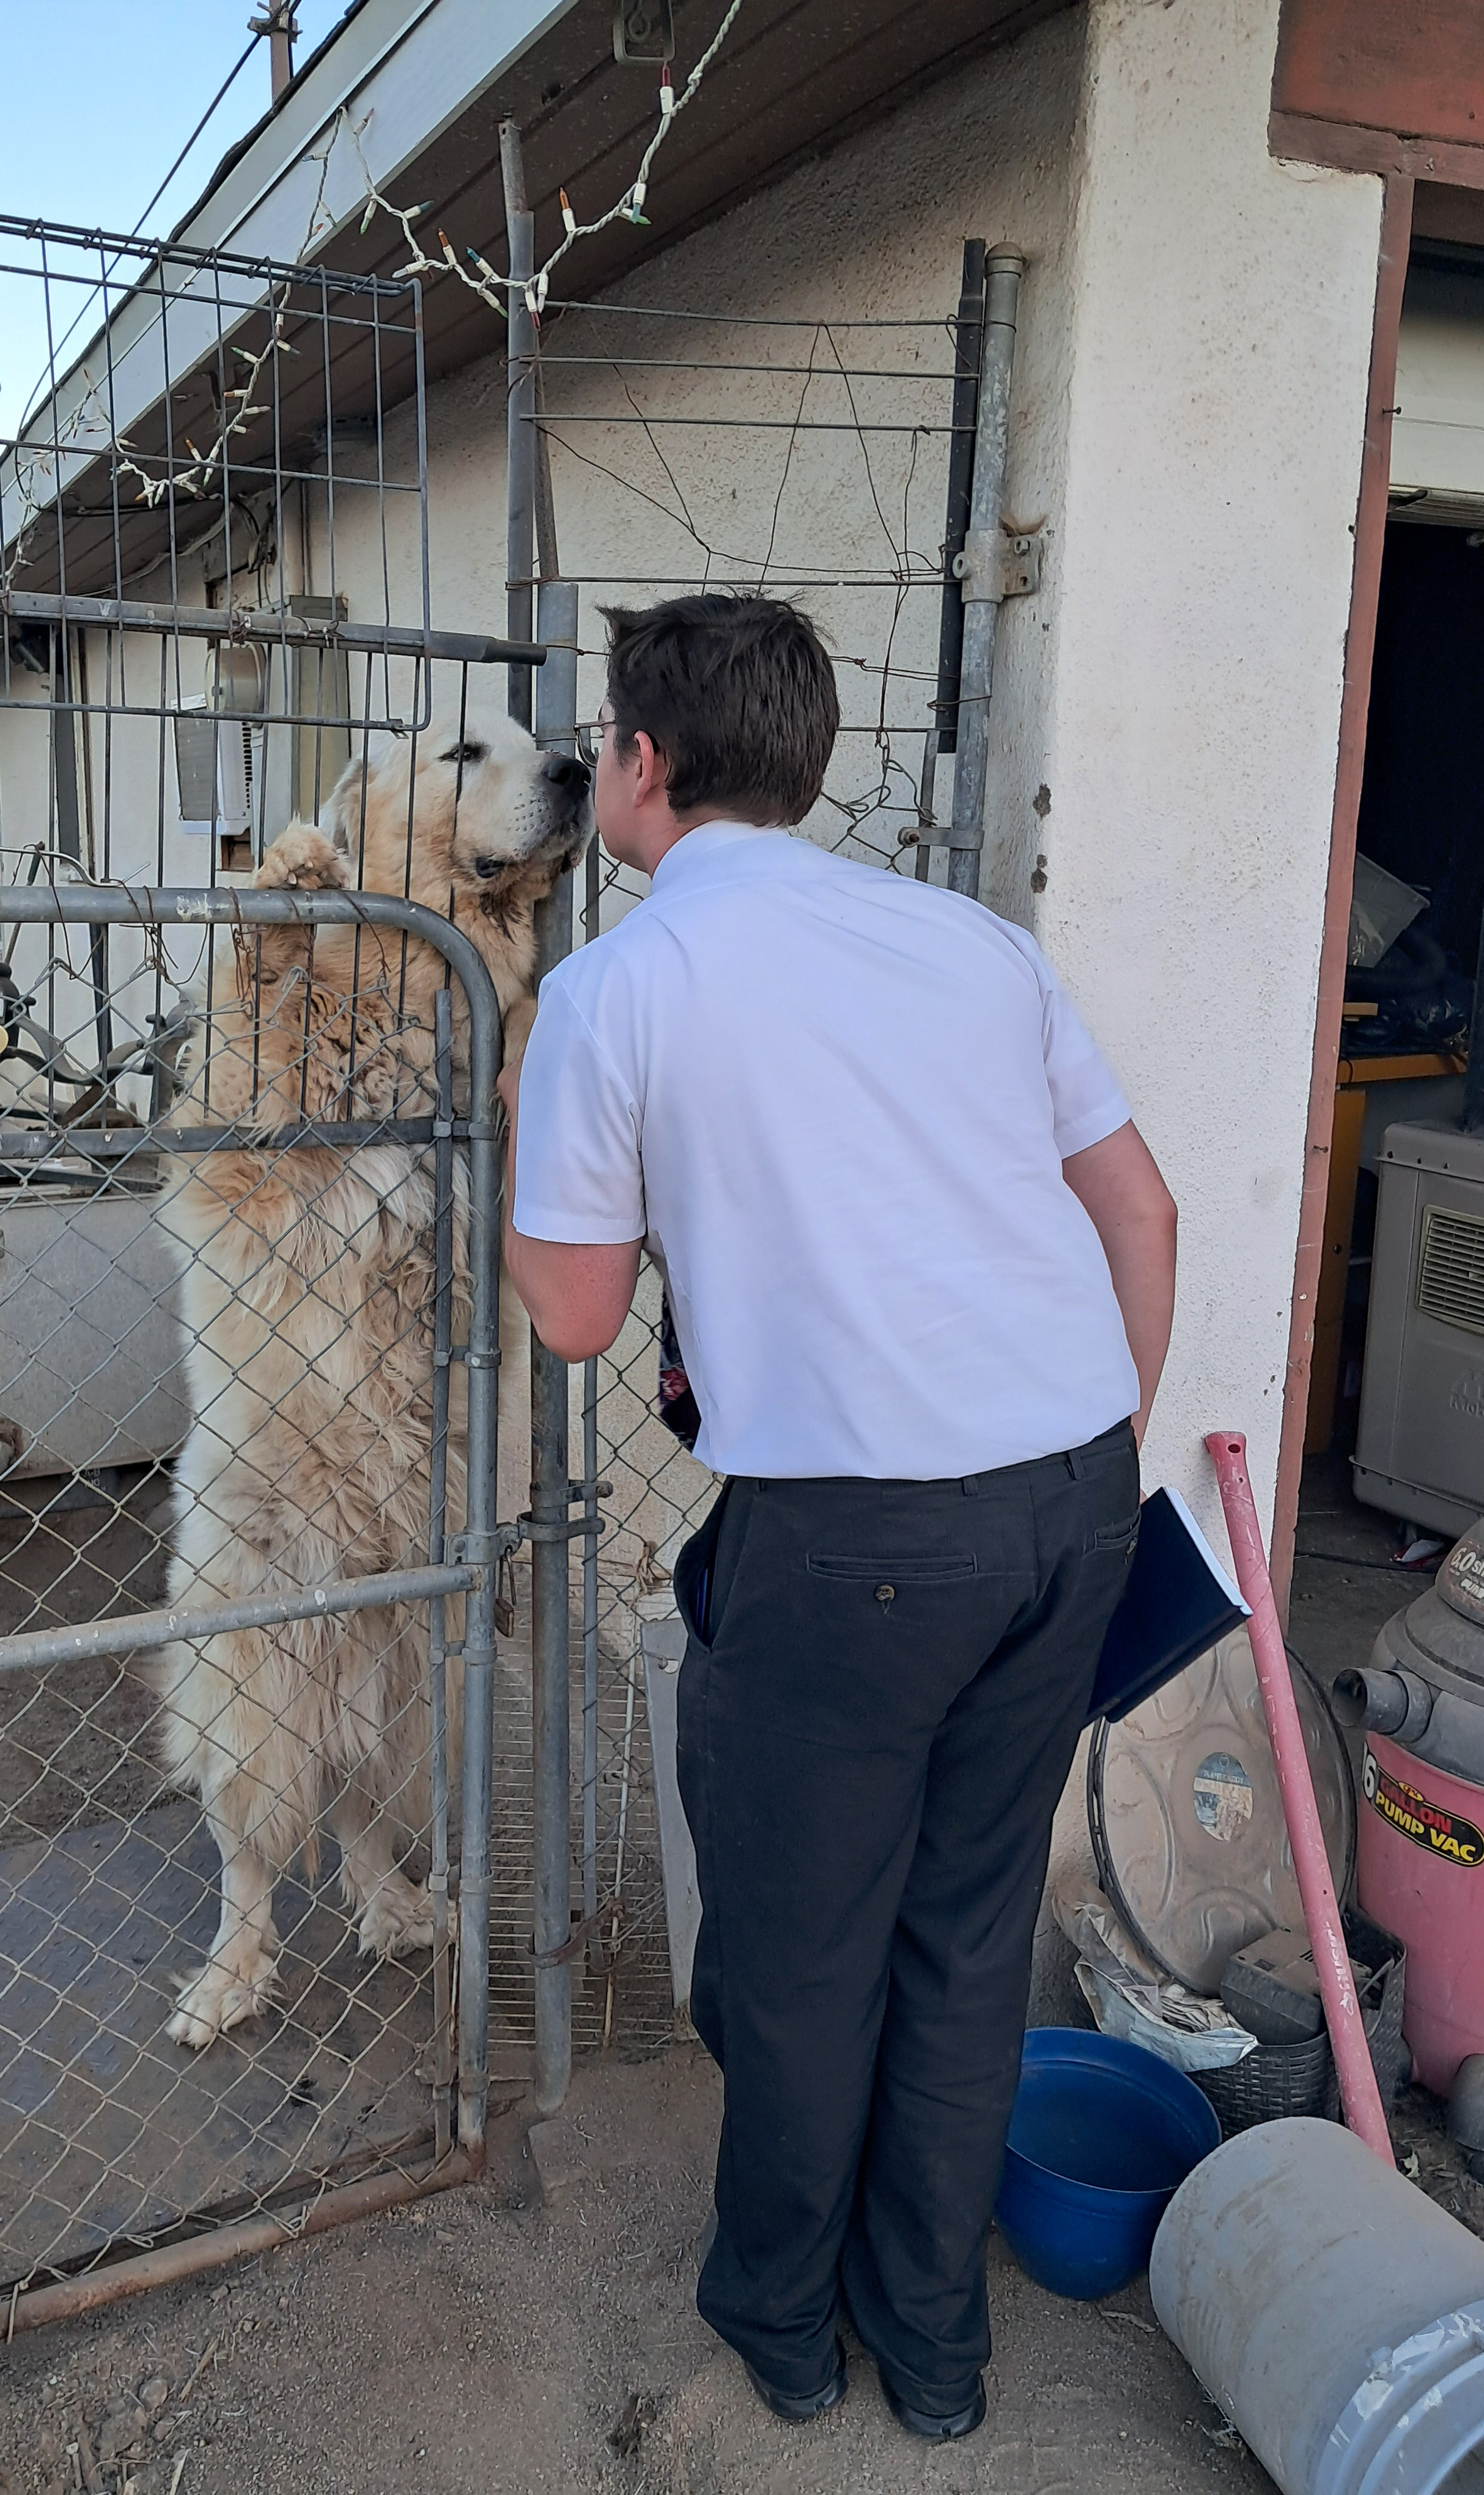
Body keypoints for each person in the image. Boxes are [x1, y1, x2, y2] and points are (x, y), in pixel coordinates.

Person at [495, 593, 1176, 2441]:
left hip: (857, 1547)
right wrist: (1081, 1436)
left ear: (642, 764)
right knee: (962, 1940)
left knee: (797, 1964)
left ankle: (786, 2335)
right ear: (804, 765)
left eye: (605, 747)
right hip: (1072, 1503)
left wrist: (522, 1115)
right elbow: (1142, 1215)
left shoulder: (615, 987)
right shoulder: (971, 943)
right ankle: (937, 2359)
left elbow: (565, 1316)